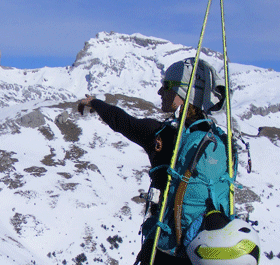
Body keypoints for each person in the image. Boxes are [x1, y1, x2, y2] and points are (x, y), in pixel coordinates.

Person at [77, 57, 226, 265]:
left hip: (166, 249)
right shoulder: (219, 141)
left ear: (184, 92)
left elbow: (123, 122)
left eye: (166, 86)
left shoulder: (162, 135)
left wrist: (94, 103)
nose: (160, 92)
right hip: (204, 250)